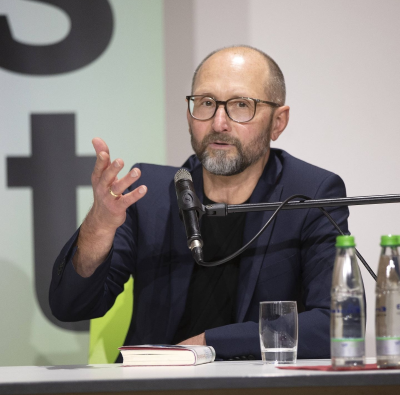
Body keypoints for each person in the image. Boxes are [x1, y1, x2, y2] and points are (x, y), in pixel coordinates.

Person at [49, 45, 349, 361]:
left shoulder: (309, 195)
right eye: (206, 103)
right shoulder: (149, 194)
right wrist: (98, 226)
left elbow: (337, 326)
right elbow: (70, 306)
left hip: (255, 383)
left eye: (241, 105)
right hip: (155, 382)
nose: (219, 123)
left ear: (278, 121)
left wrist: (209, 343)